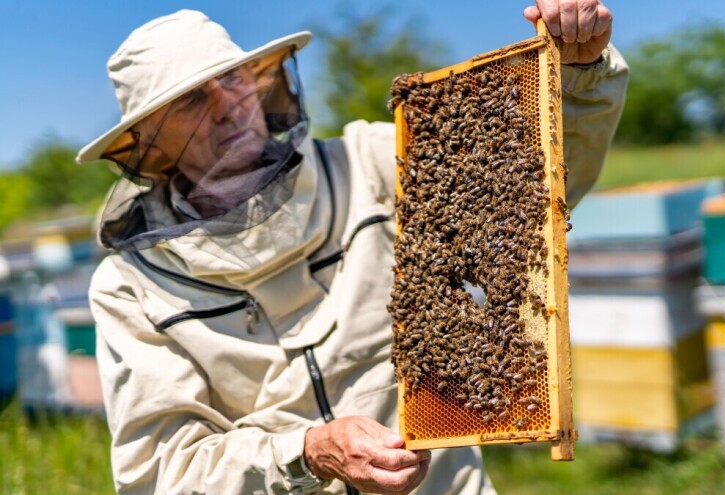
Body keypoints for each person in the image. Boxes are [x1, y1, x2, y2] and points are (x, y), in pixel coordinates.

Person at [77, 2, 628, 494]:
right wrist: (306, 453)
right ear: (149, 140)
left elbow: (529, 191)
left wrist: (579, 74)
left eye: (233, 78)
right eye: (193, 99)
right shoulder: (133, 287)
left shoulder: (372, 164)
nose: (228, 106)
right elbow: (159, 474)